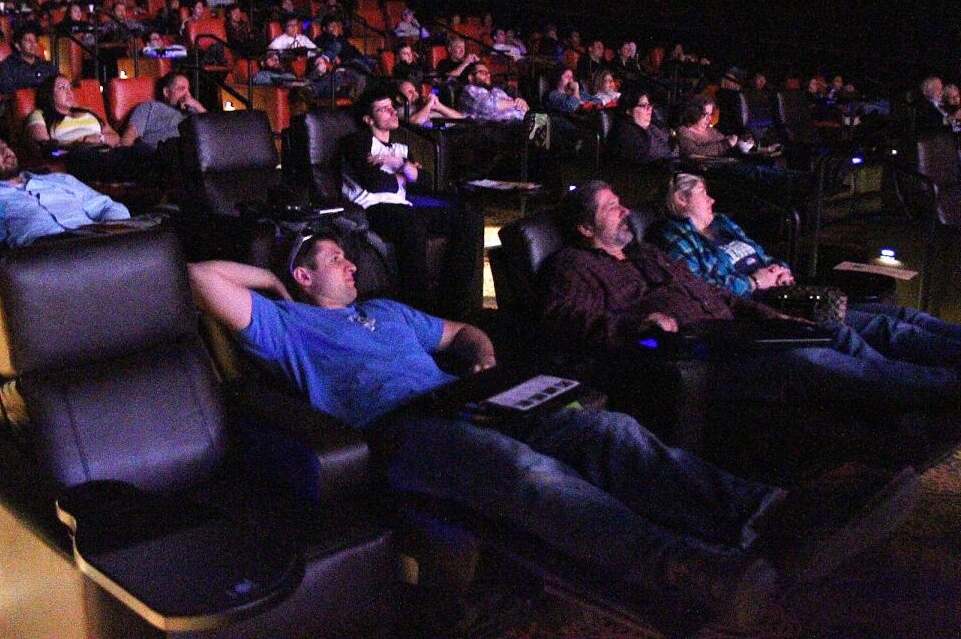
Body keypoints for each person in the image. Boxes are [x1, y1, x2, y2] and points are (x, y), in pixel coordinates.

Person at [187, 233, 918, 631]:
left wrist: (480, 353)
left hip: (474, 397)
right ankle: (692, 568)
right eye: (332, 258)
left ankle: (770, 512)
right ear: (303, 276)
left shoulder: (390, 311)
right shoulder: (288, 327)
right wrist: (276, 283)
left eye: (349, 254)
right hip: (403, 432)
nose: (352, 261)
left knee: (610, 432)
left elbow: (465, 329)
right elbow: (196, 276)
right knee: (528, 476)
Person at [542, 180, 961, 409]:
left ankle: (911, 393)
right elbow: (564, 319)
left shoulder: (646, 252)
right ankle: (941, 389)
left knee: (836, 335)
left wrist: (769, 317)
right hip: (700, 350)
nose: (626, 211)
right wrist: (641, 326)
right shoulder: (575, 265)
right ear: (585, 228)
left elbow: (711, 291)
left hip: (738, 327)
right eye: (613, 207)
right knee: (817, 360)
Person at [657, 172, 961, 351]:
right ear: (682, 200)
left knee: (906, 314)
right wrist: (752, 282)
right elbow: (700, 288)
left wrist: (780, 268)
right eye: (703, 194)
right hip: (765, 305)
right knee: (885, 327)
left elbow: (761, 254)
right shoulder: (676, 238)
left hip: (787, 290)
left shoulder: (722, 224)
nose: (711, 200)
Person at [339, 90, 483, 317]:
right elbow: (374, 183)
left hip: (403, 206)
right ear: (368, 119)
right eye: (383, 109)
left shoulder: (400, 148)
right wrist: (404, 173)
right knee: (412, 223)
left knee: (468, 216)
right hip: (370, 209)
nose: (392, 112)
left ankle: (454, 305)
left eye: (391, 107)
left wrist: (399, 163)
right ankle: (417, 308)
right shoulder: (357, 141)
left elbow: (425, 183)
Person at [0, 135, 129, 247]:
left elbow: (107, 206)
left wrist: (109, 232)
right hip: (46, 254)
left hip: (93, 240)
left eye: (4, 145)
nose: (4, 151)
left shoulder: (58, 180)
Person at [25, 75, 119, 147]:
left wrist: (101, 139)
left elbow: (115, 137)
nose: (69, 92)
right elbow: (44, 147)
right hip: (81, 157)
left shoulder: (88, 111)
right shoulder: (39, 115)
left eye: (70, 87)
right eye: (62, 87)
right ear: (49, 94)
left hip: (108, 152)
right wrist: (83, 142)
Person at [121, 72, 206, 150]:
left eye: (188, 90)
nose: (188, 95)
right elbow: (130, 134)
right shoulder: (149, 108)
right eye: (181, 89)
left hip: (192, 155)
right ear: (166, 92)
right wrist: (122, 155)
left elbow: (212, 131)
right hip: (160, 155)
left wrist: (197, 106)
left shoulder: (193, 111)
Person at [609, 89, 674, 164]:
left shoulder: (652, 127)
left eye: (649, 105)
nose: (650, 109)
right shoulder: (627, 133)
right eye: (643, 106)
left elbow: (670, 144)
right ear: (629, 111)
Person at [677, 94, 747, 158]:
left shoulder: (711, 131)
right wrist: (726, 144)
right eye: (705, 114)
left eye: (710, 114)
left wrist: (741, 142)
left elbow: (726, 142)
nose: (709, 118)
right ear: (694, 113)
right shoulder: (685, 132)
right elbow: (694, 152)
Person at [0, 25, 59, 94]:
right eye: (28, 41)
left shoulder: (46, 65)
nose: (33, 44)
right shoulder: (7, 67)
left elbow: (59, 82)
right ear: (18, 46)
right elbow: (7, 92)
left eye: (35, 40)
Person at [457, 62, 527, 122]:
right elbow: (490, 106)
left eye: (488, 73)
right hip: (500, 129)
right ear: (471, 77)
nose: (488, 75)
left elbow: (525, 108)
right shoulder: (470, 89)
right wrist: (515, 103)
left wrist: (522, 103)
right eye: (483, 72)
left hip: (523, 121)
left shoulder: (496, 90)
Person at [395, 80, 464, 126]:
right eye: (410, 91)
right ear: (399, 99)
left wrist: (439, 107)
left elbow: (461, 118)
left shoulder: (424, 104)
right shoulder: (401, 110)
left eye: (414, 90)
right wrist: (429, 104)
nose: (415, 93)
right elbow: (415, 123)